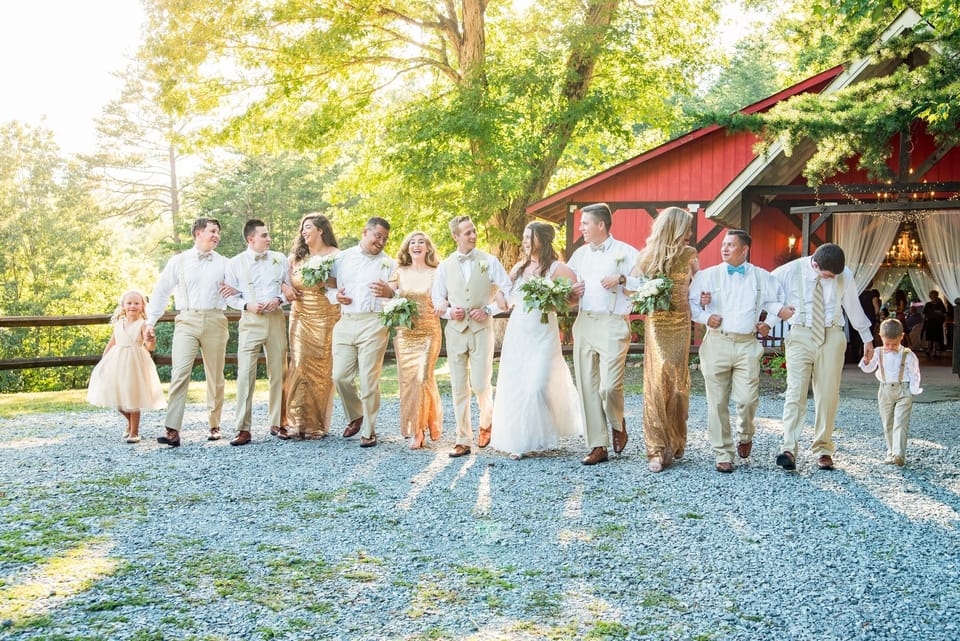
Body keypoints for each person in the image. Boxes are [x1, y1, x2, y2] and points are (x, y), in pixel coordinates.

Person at [688, 230, 786, 473]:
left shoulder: (763, 277)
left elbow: (778, 302)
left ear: (744, 250)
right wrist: (705, 315)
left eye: (731, 245)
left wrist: (769, 323)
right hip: (717, 342)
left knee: (747, 399)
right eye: (723, 244)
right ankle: (723, 452)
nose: (724, 248)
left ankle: (745, 433)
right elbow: (691, 303)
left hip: (747, 344)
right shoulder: (706, 275)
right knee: (717, 401)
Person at [771, 243, 874, 471]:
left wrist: (867, 338)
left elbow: (853, 307)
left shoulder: (843, 274)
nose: (831, 279)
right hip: (800, 334)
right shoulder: (789, 271)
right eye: (827, 276)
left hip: (832, 334)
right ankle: (788, 448)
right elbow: (765, 291)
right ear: (815, 264)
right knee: (795, 392)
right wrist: (778, 312)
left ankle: (824, 449)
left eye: (834, 276)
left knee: (828, 394)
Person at [490, 222, 583, 459]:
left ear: (542, 239)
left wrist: (553, 302)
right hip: (518, 330)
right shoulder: (519, 268)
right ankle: (520, 442)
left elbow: (573, 298)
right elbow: (505, 295)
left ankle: (544, 432)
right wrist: (500, 294)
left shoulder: (557, 268)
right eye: (523, 237)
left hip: (542, 331)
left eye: (529, 237)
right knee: (518, 385)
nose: (524, 241)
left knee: (538, 385)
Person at [146, 217, 232, 447]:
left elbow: (236, 293)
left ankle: (215, 425)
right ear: (198, 233)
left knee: (215, 375)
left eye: (218, 232)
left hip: (215, 319)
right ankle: (172, 429)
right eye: (212, 231)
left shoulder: (225, 263)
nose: (217, 235)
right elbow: (162, 291)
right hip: (186, 319)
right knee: (180, 372)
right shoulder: (179, 261)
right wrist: (150, 321)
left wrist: (235, 292)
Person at [432, 215, 511, 458]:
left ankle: (487, 421)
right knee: (458, 387)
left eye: (474, 231)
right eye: (467, 233)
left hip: (481, 330)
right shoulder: (445, 266)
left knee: (480, 384)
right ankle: (462, 439)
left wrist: (489, 309)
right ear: (456, 237)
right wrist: (447, 311)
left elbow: (508, 290)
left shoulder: (490, 261)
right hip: (455, 332)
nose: (473, 235)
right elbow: (437, 298)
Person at [568, 203, 640, 466]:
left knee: (609, 386)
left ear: (601, 225)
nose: (581, 228)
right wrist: (572, 291)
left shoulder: (627, 252)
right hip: (585, 321)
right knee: (587, 386)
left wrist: (623, 279)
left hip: (613, 322)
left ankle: (617, 421)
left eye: (585, 223)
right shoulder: (579, 255)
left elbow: (644, 284)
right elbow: (566, 287)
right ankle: (598, 445)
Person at [632, 207, 699, 473]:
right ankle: (656, 449)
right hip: (657, 322)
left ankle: (675, 439)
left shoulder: (690, 255)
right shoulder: (646, 257)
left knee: (678, 385)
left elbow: (698, 288)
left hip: (681, 322)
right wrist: (643, 294)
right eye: (687, 228)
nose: (691, 234)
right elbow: (634, 288)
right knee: (657, 381)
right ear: (675, 228)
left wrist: (702, 299)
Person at [223, 219, 292, 446]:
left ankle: (278, 423)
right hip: (250, 320)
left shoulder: (280, 259)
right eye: (264, 235)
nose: (269, 238)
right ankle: (243, 428)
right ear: (251, 239)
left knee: (278, 372)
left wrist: (278, 299)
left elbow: (287, 287)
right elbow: (228, 295)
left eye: (268, 235)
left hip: (275, 320)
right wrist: (246, 305)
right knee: (245, 374)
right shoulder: (234, 263)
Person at [330, 217, 398, 448]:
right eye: (378, 236)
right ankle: (355, 415)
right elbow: (329, 286)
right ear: (365, 232)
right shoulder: (342, 258)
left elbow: (398, 295)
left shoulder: (390, 264)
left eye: (385, 239)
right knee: (339, 376)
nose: (381, 242)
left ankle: (369, 429)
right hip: (346, 321)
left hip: (374, 323)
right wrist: (335, 297)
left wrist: (390, 292)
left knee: (369, 380)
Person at [283, 214, 341, 439]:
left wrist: (324, 280)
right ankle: (297, 424)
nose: (304, 232)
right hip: (300, 316)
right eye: (302, 228)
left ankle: (316, 424)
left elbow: (343, 284)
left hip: (326, 317)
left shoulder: (336, 256)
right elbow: (282, 280)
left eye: (308, 227)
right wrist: (284, 287)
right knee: (299, 365)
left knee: (321, 369)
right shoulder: (296, 258)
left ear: (321, 230)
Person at [87, 290, 165, 443]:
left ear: (143, 306)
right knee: (116, 397)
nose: (132, 306)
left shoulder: (143, 324)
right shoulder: (118, 324)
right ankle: (129, 423)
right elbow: (111, 343)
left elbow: (150, 347)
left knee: (132, 396)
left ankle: (134, 432)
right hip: (117, 362)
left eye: (137, 303)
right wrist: (103, 362)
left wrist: (151, 339)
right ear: (123, 305)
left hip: (135, 362)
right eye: (129, 303)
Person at [390, 231, 443, 449]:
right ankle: (417, 428)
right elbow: (387, 293)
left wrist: (444, 305)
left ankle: (425, 427)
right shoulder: (399, 271)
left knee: (423, 378)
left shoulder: (437, 272)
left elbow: (444, 296)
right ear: (407, 248)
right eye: (413, 242)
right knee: (409, 380)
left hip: (429, 329)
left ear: (428, 248)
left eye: (421, 242)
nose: (417, 245)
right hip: (405, 332)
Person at [858, 318, 922, 467]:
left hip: (903, 390)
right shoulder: (878, 352)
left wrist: (913, 390)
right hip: (885, 390)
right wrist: (866, 361)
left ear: (902, 337)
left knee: (900, 422)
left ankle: (899, 453)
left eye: (894, 344)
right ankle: (890, 452)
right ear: (881, 337)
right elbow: (869, 368)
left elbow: (914, 372)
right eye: (888, 344)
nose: (891, 347)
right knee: (888, 422)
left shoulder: (908, 354)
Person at [922, 290, 948, 358]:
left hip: (937, 323)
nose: (933, 297)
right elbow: (925, 314)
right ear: (930, 297)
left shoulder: (940, 305)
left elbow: (944, 314)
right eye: (932, 295)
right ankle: (928, 350)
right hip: (929, 322)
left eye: (935, 295)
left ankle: (934, 351)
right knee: (929, 338)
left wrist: (939, 314)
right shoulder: (928, 304)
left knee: (936, 338)